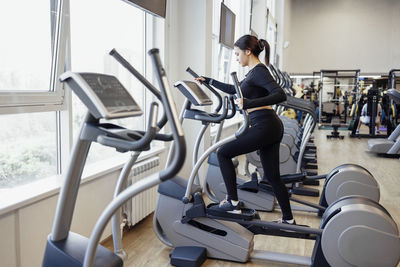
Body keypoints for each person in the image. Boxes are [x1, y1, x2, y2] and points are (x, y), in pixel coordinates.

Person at [195, 35, 295, 224]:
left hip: (265, 124)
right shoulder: (252, 73)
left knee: (223, 153)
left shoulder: (259, 71)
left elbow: (280, 95)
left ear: (248, 52)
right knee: (273, 177)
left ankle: (232, 203)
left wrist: (249, 103)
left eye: (237, 53)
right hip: (268, 125)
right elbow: (235, 90)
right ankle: (288, 220)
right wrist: (208, 81)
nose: (236, 57)